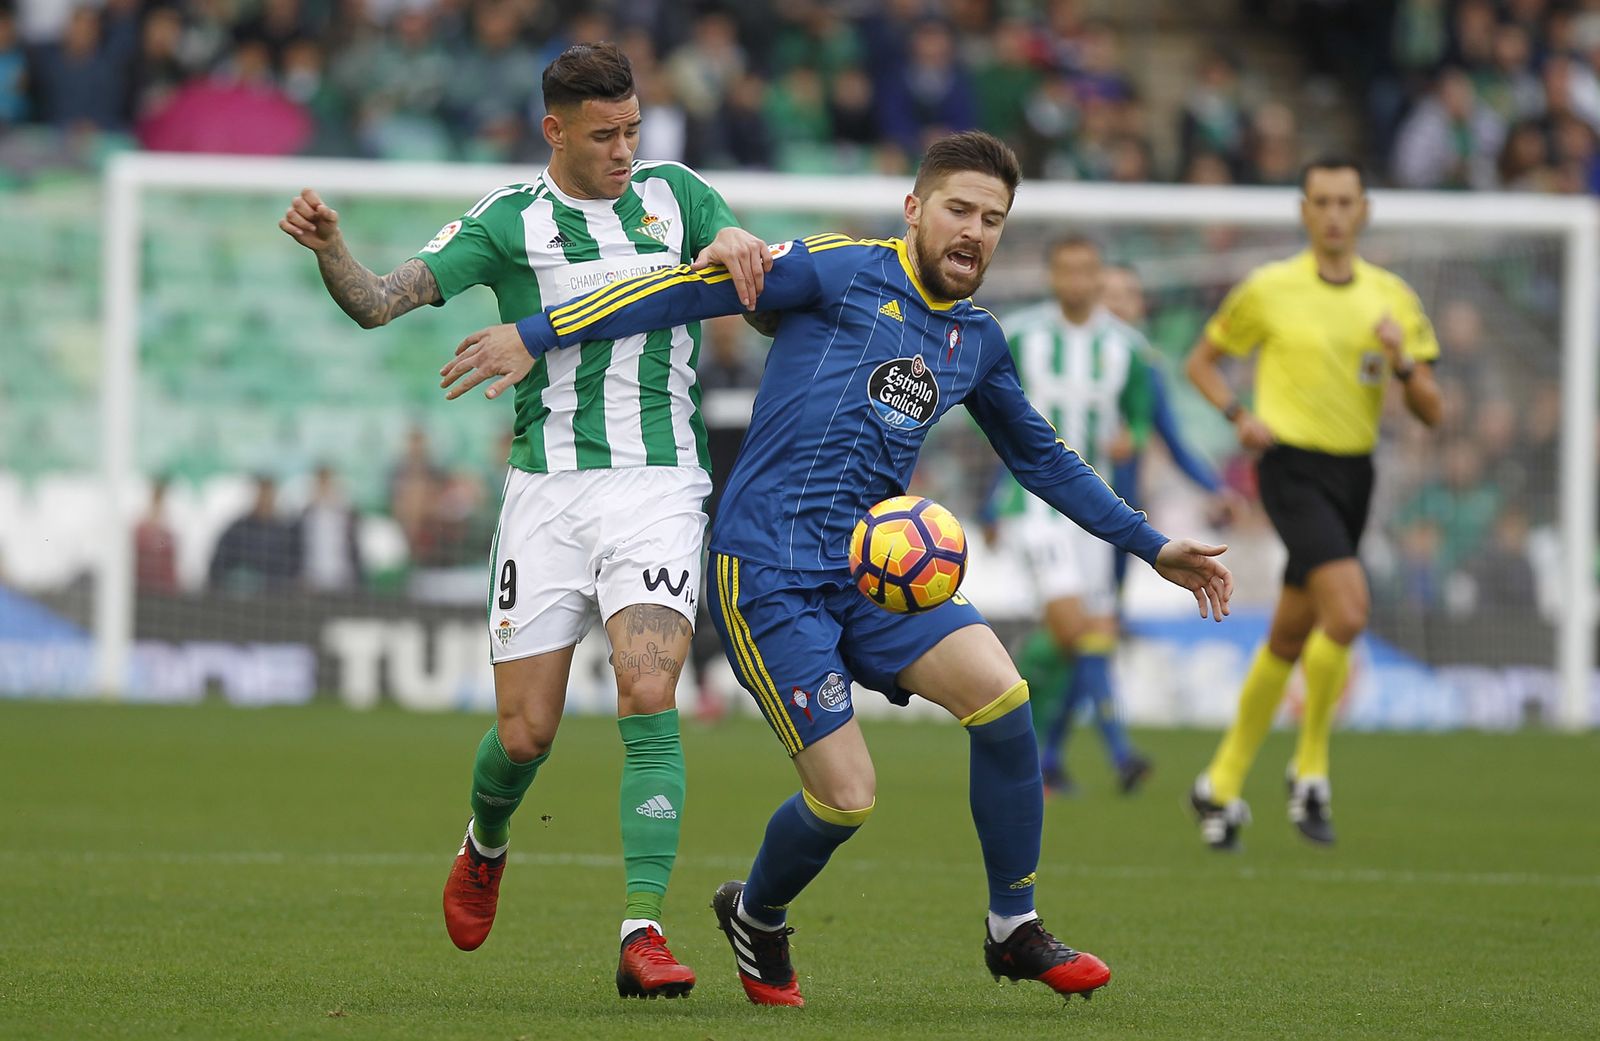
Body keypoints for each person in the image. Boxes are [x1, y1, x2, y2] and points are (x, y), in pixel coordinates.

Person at [442, 130, 1233, 1007]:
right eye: (959, 210)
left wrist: (1153, 545)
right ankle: (758, 912)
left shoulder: (976, 340)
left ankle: (1013, 926)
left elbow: (1042, 458)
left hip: (873, 568)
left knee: (1004, 701)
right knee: (849, 797)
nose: (974, 231)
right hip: (767, 572)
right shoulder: (837, 268)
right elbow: (686, 290)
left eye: (994, 219)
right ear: (915, 210)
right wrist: (537, 331)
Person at [279, 41, 771, 998]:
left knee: (647, 691)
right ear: (554, 130)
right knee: (525, 734)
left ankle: (643, 931)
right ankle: (486, 839)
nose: (626, 148)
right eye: (604, 135)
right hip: (546, 491)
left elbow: (733, 260)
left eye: (632, 128)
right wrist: (333, 248)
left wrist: (736, 248)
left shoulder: (679, 194)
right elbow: (381, 303)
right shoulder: (510, 223)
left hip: (662, 484)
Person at [1184, 157, 1442, 851]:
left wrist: (1405, 362)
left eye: (1344, 202)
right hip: (1290, 467)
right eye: (1321, 201)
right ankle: (1311, 769)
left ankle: (1220, 780)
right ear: (1304, 211)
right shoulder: (1269, 287)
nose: (1332, 214)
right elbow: (1200, 361)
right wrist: (1239, 414)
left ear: (1363, 211)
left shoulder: (1391, 299)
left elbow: (1432, 410)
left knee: (1291, 635)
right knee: (1349, 611)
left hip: (1353, 473)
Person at [985, 236, 1155, 797]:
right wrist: (991, 499)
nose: (1077, 281)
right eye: (1067, 270)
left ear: (1098, 275)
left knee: (1084, 636)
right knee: (1071, 627)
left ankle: (1032, 754)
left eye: (1087, 270)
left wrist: (1130, 438)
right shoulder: (1021, 335)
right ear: (1052, 274)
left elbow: (1137, 419)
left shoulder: (1127, 348)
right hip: (1034, 506)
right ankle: (1116, 754)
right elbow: (992, 415)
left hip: (1095, 508)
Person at [209, 475, 300, 593]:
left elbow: (292, 568)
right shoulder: (238, 530)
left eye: (269, 495)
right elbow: (218, 566)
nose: (265, 500)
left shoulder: (284, 532)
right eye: (262, 495)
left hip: (276, 599)